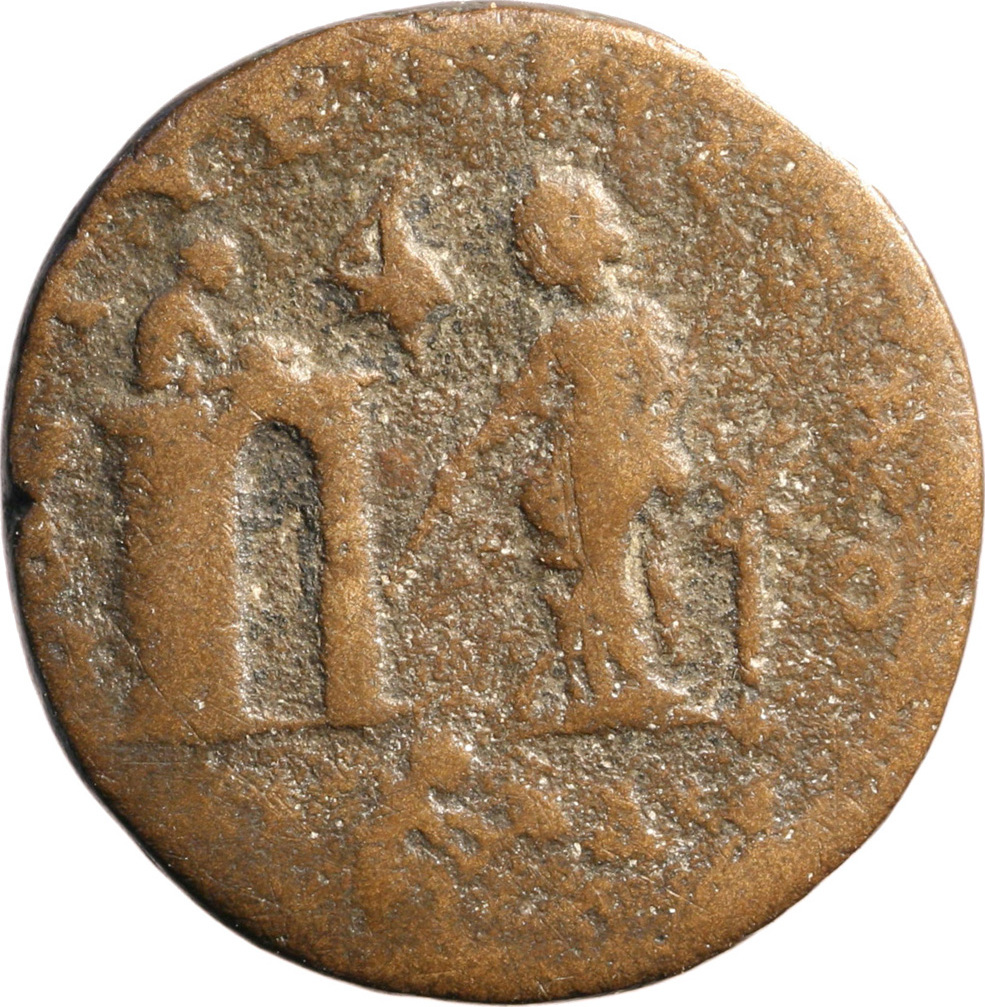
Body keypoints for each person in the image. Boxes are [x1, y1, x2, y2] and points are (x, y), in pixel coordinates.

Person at [415, 169, 692, 712]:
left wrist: (662, 447)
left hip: (627, 459)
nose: (612, 219)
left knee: (632, 565)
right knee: (605, 569)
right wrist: (471, 452)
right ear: (573, 230)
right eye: (598, 213)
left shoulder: (635, 320)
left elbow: (661, 395)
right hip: (589, 465)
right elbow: (520, 404)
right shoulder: (570, 333)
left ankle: (611, 678)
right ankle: (622, 680)